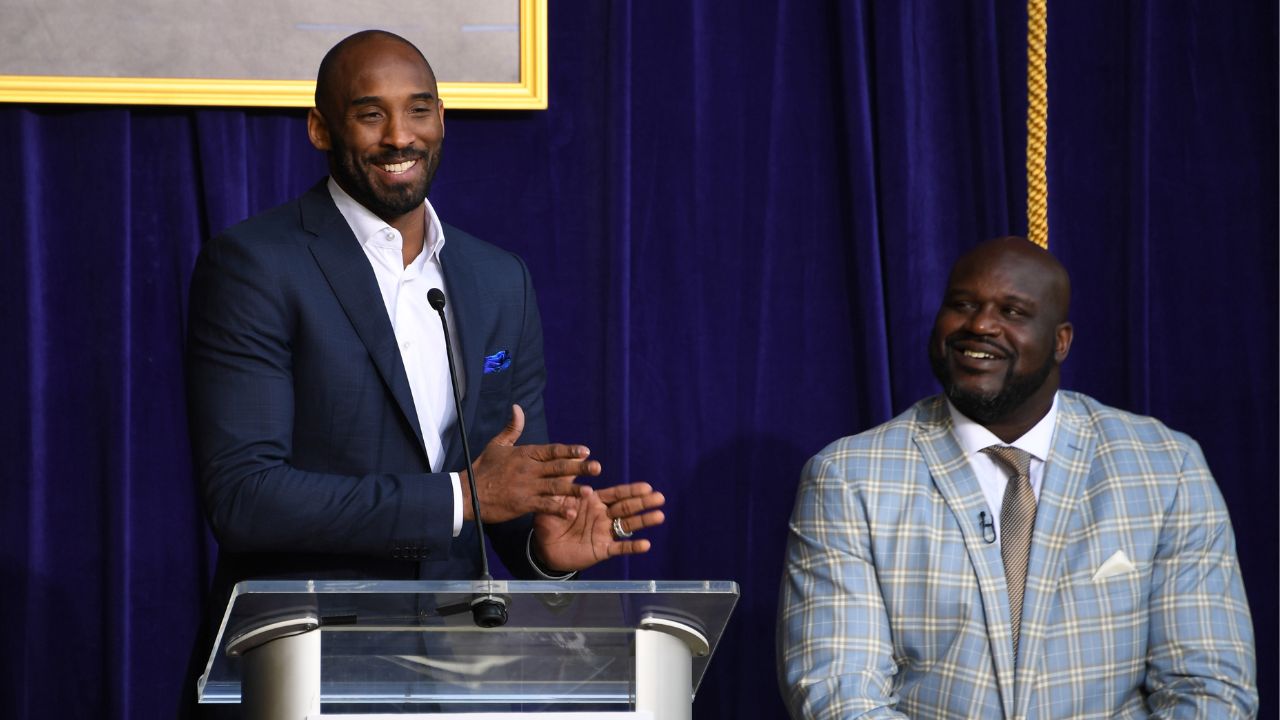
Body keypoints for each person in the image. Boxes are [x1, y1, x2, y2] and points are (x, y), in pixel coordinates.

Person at [183, 29, 665, 704]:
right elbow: (245, 497)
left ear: (442, 119)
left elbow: (507, 482)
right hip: (303, 674)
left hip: (461, 679)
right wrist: (462, 498)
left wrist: (543, 552)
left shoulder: (499, 280)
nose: (399, 136)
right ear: (321, 129)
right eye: (370, 113)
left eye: (419, 109)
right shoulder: (257, 266)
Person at [777, 237, 1256, 718]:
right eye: (963, 304)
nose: (981, 324)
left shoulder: (1165, 467)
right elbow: (839, 694)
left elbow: (1209, 687)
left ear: (1060, 341)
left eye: (1012, 311)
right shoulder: (849, 478)